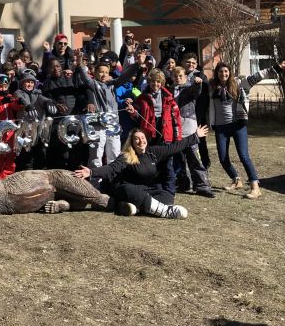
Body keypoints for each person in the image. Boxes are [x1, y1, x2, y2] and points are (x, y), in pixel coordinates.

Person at [74, 126, 210, 219]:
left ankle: (134, 207)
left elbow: (175, 147)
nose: (141, 141)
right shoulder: (126, 156)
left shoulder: (154, 152)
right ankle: (165, 212)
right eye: (136, 139)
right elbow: (111, 168)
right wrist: (91, 172)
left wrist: (195, 136)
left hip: (145, 190)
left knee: (167, 196)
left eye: (142, 137)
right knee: (129, 189)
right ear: (132, 143)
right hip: (124, 188)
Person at [209, 59, 285, 199]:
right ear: (217, 73)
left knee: (244, 156)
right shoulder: (212, 88)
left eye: (226, 71)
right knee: (223, 158)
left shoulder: (240, 84)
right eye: (221, 71)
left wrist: (276, 68)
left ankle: (255, 187)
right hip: (221, 127)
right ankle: (236, 180)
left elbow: (257, 76)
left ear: (230, 73)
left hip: (238, 125)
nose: (223, 74)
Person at [129, 68, 183, 196]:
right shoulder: (142, 97)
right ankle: (156, 189)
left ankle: (170, 191)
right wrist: (132, 112)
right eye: (153, 81)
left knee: (168, 164)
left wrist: (177, 136)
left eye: (158, 82)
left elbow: (176, 118)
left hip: (166, 133)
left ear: (162, 82)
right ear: (149, 82)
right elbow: (137, 117)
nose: (155, 84)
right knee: (152, 165)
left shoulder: (169, 97)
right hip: (149, 135)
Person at [169, 67, 214, 197]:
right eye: (175, 76)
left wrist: (198, 83)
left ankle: (202, 185)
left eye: (180, 76)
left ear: (185, 76)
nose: (178, 78)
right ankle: (184, 183)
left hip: (190, 128)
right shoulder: (169, 91)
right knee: (179, 159)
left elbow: (196, 91)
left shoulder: (189, 88)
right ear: (172, 77)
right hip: (175, 129)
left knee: (194, 157)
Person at [181, 53, 210, 168]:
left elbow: (204, 99)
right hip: (182, 117)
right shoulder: (179, 75)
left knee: (200, 141)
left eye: (193, 63)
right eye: (188, 62)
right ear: (182, 63)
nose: (190, 65)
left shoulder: (201, 77)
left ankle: (204, 164)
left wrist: (198, 117)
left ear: (196, 64)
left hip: (197, 116)